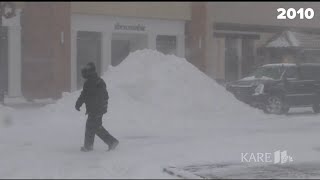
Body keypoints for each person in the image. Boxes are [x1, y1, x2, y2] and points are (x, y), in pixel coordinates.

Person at [75, 62, 119, 152]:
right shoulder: (98, 80)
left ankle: (110, 142)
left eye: (85, 71)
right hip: (99, 108)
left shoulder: (91, 82)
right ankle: (91, 145)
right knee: (95, 127)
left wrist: (79, 103)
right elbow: (104, 95)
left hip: (95, 109)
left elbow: (84, 95)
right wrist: (103, 106)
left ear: (89, 72)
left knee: (92, 127)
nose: (83, 73)